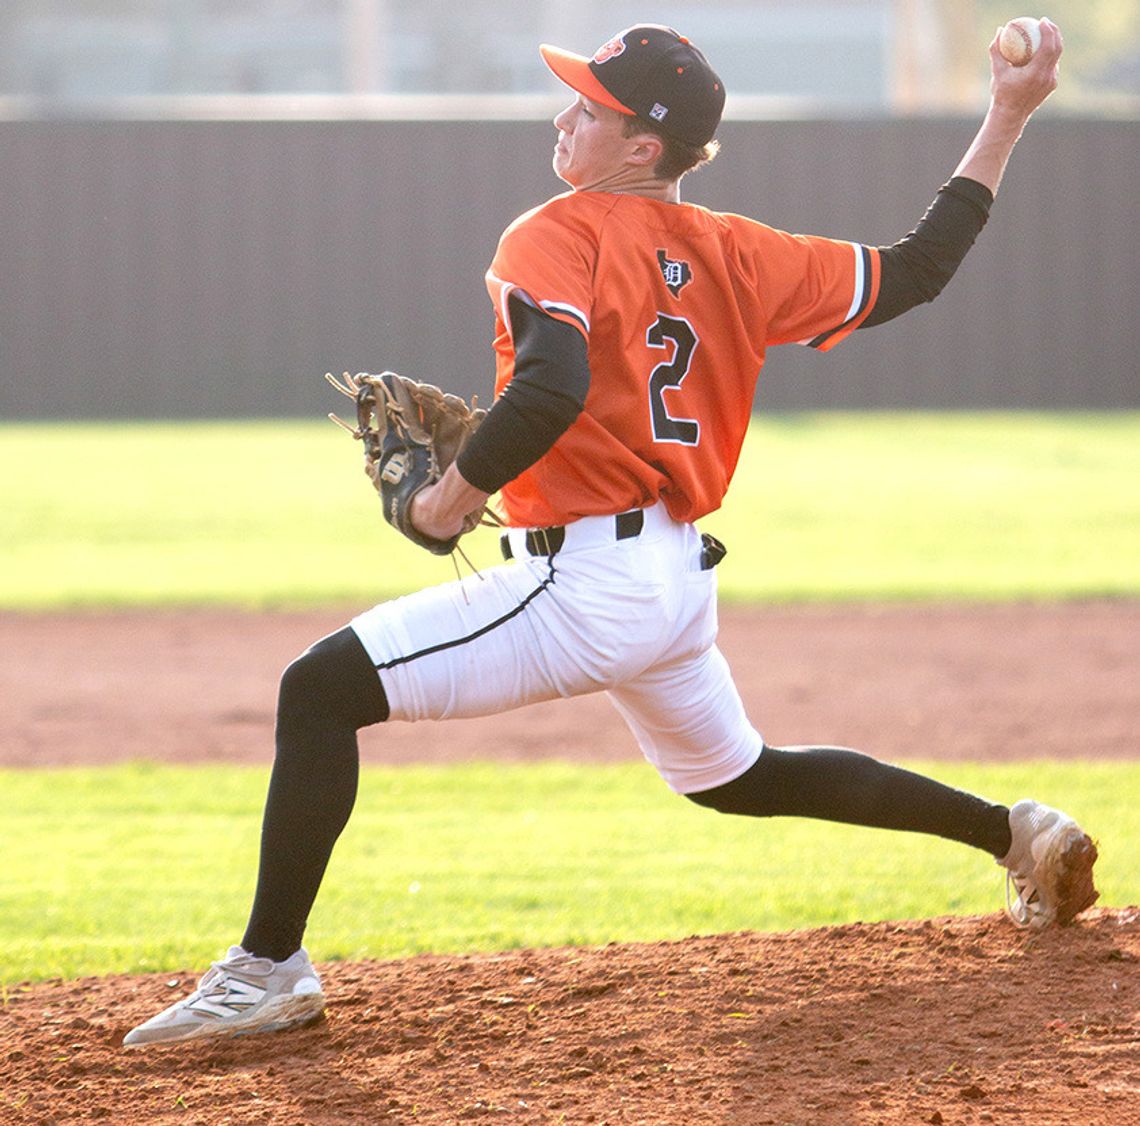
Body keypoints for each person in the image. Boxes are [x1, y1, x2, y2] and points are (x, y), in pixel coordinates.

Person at [124, 20, 1097, 1048]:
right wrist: (1007, 113)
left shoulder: (556, 231)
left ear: (641, 145)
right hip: (669, 581)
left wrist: (448, 501)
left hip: (585, 586)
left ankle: (266, 970)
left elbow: (551, 384)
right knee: (740, 776)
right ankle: (1014, 833)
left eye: (588, 108)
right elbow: (916, 271)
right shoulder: (740, 252)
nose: (564, 117)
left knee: (319, 690)